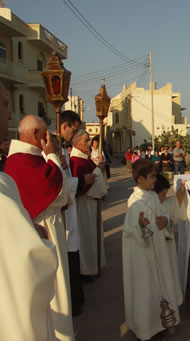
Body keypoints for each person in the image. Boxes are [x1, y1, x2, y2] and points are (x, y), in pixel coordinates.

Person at [5, 114, 76, 341]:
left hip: (49, 225)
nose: (50, 138)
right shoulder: (21, 160)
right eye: (47, 134)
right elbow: (61, 192)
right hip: (43, 230)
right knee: (56, 290)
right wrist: (53, 154)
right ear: (37, 135)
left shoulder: (29, 157)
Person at [0, 80, 59, 341]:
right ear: (38, 135)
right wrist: (40, 243)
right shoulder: (13, 171)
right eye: (4, 104)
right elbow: (29, 262)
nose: (10, 113)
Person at [122, 159, 183, 341]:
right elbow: (129, 229)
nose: (155, 180)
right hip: (143, 254)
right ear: (140, 179)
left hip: (159, 250)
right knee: (145, 289)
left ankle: (163, 322)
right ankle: (146, 327)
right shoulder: (134, 201)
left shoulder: (153, 196)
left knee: (162, 283)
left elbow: (163, 214)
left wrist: (165, 221)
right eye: (152, 177)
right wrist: (140, 225)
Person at [60, 110, 89, 316]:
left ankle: (76, 298)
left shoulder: (61, 149)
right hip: (61, 211)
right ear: (64, 126)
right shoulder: (51, 149)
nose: (74, 135)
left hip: (70, 205)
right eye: (74, 131)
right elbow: (56, 182)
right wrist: (80, 181)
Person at [70, 130, 108, 278]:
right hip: (84, 203)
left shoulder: (84, 159)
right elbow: (80, 184)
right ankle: (86, 269)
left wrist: (98, 170)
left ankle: (94, 265)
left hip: (91, 203)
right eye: (86, 141)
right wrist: (98, 171)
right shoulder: (76, 161)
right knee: (86, 237)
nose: (89, 144)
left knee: (92, 236)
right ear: (77, 142)